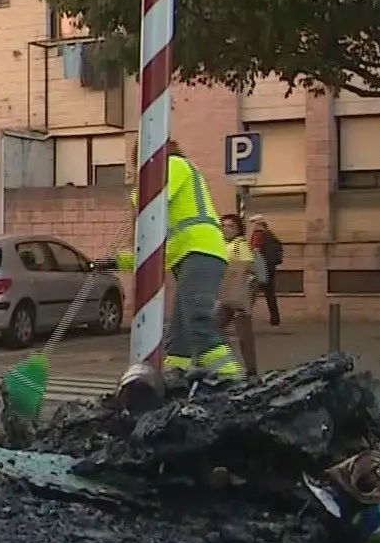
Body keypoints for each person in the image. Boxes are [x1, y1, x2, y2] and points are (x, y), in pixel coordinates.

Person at [95, 141, 245, 380]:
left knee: (197, 319)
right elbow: (148, 253)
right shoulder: (173, 176)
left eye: (138, 165)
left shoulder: (176, 165)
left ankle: (230, 377)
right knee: (180, 331)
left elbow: (150, 197)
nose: (137, 171)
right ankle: (175, 371)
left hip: (201, 250)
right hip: (192, 254)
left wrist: (136, 192)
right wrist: (113, 262)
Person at [217, 213, 260, 375]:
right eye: (224, 226)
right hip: (226, 295)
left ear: (238, 229)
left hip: (238, 297)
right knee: (213, 328)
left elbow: (246, 269)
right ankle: (227, 365)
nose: (226, 229)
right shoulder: (224, 244)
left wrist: (245, 297)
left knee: (244, 336)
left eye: (230, 226)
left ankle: (251, 371)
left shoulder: (240, 245)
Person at [248, 213, 283, 325]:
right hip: (269, 267)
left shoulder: (258, 235)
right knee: (269, 294)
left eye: (254, 224)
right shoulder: (270, 234)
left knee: (249, 293)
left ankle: (243, 317)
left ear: (259, 224)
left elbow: (255, 250)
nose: (253, 226)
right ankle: (275, 319)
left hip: (260, 268)